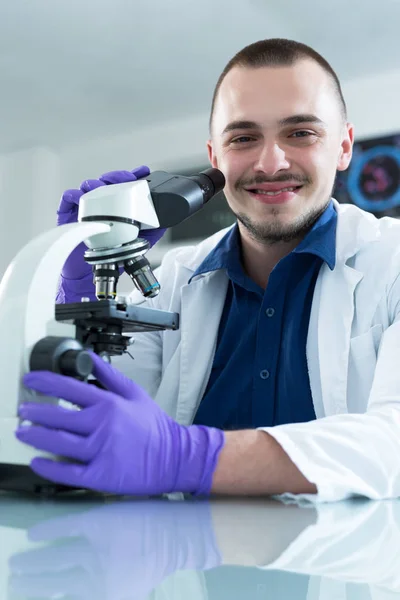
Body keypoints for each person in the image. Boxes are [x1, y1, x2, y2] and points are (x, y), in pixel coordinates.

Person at [16, 38, 400, 503]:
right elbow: (93, 422)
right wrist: (75, 284)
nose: (270, 162)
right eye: (243, 138)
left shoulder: (390, 262)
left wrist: (187, 457)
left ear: (343, 147)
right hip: (185, 565)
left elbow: (391, 441)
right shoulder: (174, 283)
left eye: (300, 133)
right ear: (215, 160)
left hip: (345, 569)